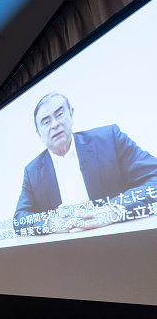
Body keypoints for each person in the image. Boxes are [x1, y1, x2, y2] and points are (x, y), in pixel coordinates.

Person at [14, 93, 157, 235]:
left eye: (59, 114)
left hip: (122, 241)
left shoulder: (109, 139)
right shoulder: (32, 172)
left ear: (71, 114)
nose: (55, 125)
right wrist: (49, 223)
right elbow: (19, 220)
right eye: (46, 122)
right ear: (39, 133)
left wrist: (112, 210)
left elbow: (154, 180)